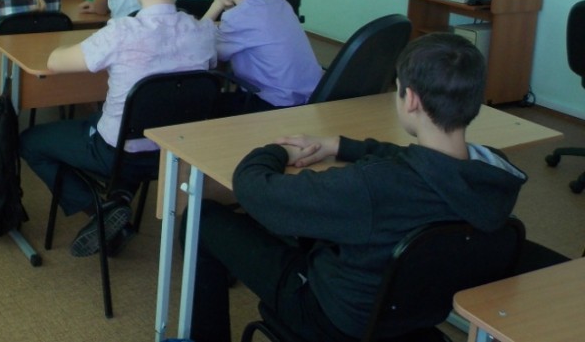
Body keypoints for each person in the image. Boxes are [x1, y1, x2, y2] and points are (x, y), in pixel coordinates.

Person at [185, 32, 527, 342]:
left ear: (410, 100)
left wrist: (276, 152)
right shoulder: (493, 174)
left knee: (201, 218)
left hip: (333, 319)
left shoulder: (372, 186)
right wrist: (339, 145)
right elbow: (419, 161)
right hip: (417, 311)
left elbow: (255, 190)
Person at [21, 0, 217, 257]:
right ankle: (119, 198)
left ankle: (100, 209)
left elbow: (55, 62)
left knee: (30, 141)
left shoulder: (121, 32)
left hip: (117, 152)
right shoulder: (204, 33)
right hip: (175, 152)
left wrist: (67, 44)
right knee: (122, 121)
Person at [202, 0, 322, 113]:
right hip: (311, 97)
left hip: (274, 105)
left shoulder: (239, 18)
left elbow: (204, 49)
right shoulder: (280, 3)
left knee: (204, 105)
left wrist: (217, 3)